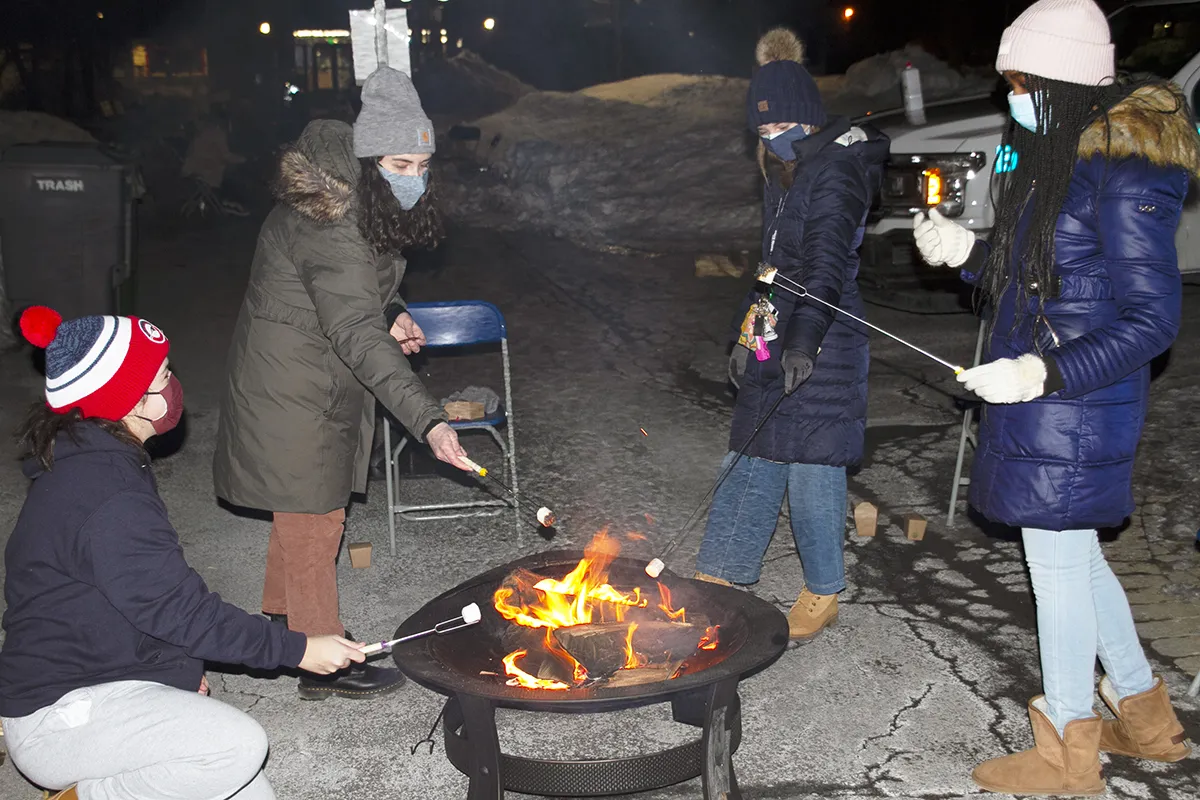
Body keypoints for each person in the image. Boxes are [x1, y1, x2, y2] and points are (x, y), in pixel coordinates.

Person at [914, 0, 1196, 794]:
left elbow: (1151, 319)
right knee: (1075, 557)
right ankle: (1144, 714)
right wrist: (970, 253)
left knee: (1058, 562)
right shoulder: (1061, 151)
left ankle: (1068, 750)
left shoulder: (1128, 168)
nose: (1012, 94)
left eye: (1021, 79)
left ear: (1064, 81)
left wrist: (1044, 373)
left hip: (1078, 397)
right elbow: (1052, 277)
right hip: (1049, 390)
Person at [0, 307, 367, 800]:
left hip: (104, 676)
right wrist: (298, 649)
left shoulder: (96, 462)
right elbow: (180, 611)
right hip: (59, 716)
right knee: (236, 746)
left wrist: (172, 671)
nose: (175, 385)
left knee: (251, 792)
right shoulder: (107, 496)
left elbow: (139, 599)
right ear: (128, 401)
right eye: (164, 374)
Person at [213, 67, 472, 701]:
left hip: (306, 369)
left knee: (298, 505)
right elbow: (353, 325)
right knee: (314, 514)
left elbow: (362, 290)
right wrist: (429, 420)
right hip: (294, 382)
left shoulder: (349, 195)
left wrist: (395, 309)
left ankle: (282, 621)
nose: (413, 177)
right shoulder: (329, 218)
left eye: (422, 163)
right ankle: (321, 655)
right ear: (367, 158)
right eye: (401, 162)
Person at [692, 29, 888, 642]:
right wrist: (744, 338)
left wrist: (802, 343)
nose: (771, 140)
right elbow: (772, 265)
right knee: (752, 447)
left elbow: (825, 267)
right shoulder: (788, 169)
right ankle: (724, 574)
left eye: (780, 129)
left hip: (824, 332)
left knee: (812, 462)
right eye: (762, 132)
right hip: (780, 328)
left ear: (806, 118)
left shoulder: (836, 171)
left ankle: (824, 589)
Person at [181, 105, 249, 216]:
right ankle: (230, 203)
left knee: (229, 171)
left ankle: (226, 202)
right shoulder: (217, 133)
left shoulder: (205, 130)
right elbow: (225, 155)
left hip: (191, 167)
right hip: (203, 170)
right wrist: (243, 159)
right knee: (234, 175)